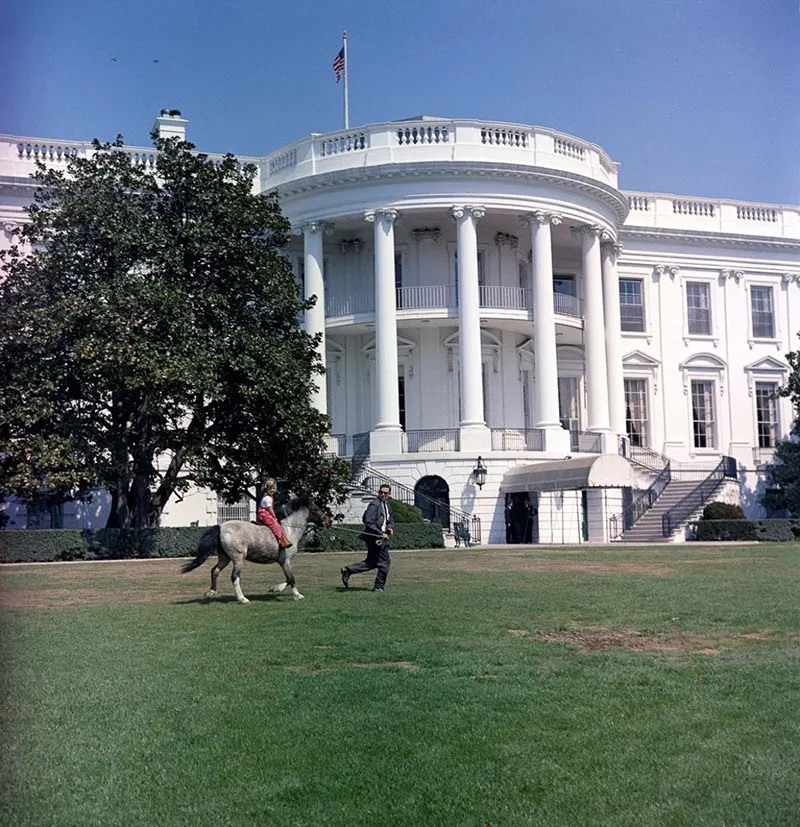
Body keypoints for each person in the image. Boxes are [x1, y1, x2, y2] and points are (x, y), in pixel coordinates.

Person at [341, 484, 394, 592]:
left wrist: (390, 528)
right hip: (375, 538)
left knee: (371, 562)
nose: (383, 494)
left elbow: (390, 520)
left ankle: (348, 570)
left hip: (381, 536)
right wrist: (380, 533)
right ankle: (378, 587)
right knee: (385, 563)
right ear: (378, 492)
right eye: (381, 492)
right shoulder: (374, 504)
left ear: (389, 494)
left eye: (385, 493)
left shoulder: (386, 505)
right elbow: (369, 522)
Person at [257, 478, 292, 549]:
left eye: (274, 489)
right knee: (275, 526)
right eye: (272, 489)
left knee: (278, 525)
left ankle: (282, 539)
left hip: (266, 513)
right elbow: (270, 509)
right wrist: (274, 517)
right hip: (265, 514)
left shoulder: (268, 497)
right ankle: (280, 541)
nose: (273, 491)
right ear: (268, 489)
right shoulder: (267, 498)